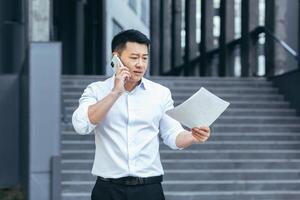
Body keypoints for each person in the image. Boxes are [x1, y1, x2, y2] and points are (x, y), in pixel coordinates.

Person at [72, 29, 211, 200]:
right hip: (107, 190)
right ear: (116, 57)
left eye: (144, 58)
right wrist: (115, 92)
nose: (140, 64)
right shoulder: (96, 90)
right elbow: (81, 125)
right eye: (134, 57)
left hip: (149, 190)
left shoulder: (160, 93)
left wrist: (193, 136)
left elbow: (172, 135)